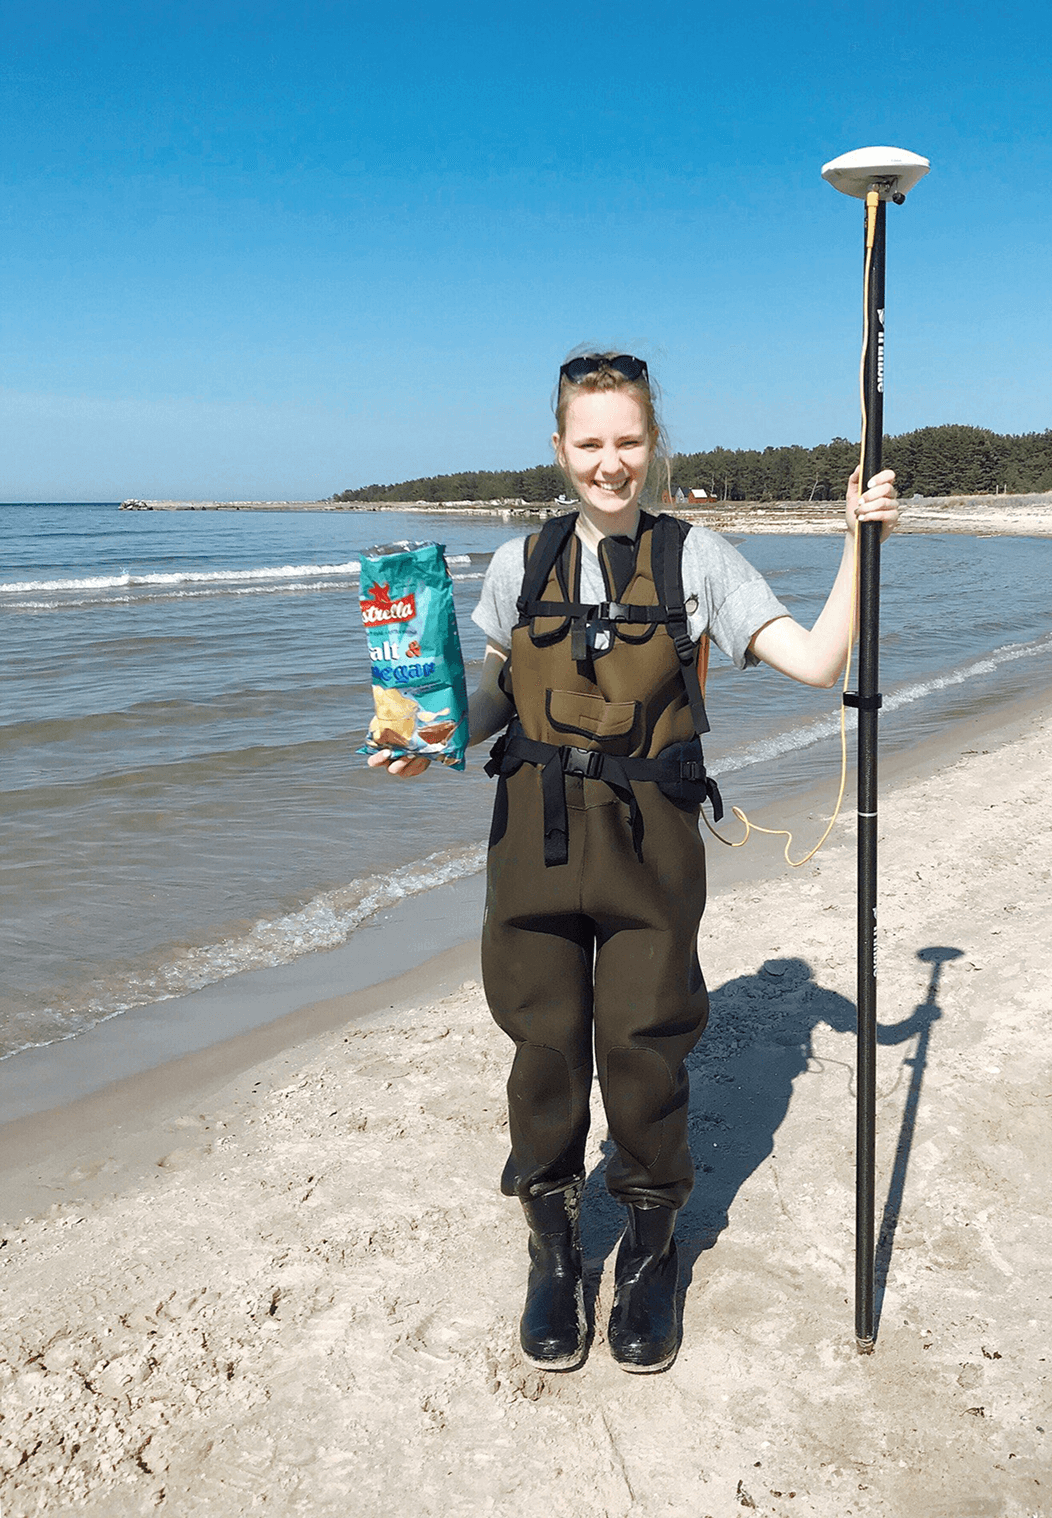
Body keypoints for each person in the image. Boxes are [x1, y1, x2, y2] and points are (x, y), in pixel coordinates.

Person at [370, 351, 898, 1374]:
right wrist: (431, 735)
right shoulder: (519, 562)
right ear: (559, 448)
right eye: (590, 443)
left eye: (627, 441)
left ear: (653, 445)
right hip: (531, 837)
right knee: (542, 1044)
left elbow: (818, 660)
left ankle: (652, 1249)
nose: (609, 462)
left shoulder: (698, 558)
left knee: (642, 1043)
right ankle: (553, 1245)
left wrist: (857, 540)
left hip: (650, 840)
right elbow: (494, 695)